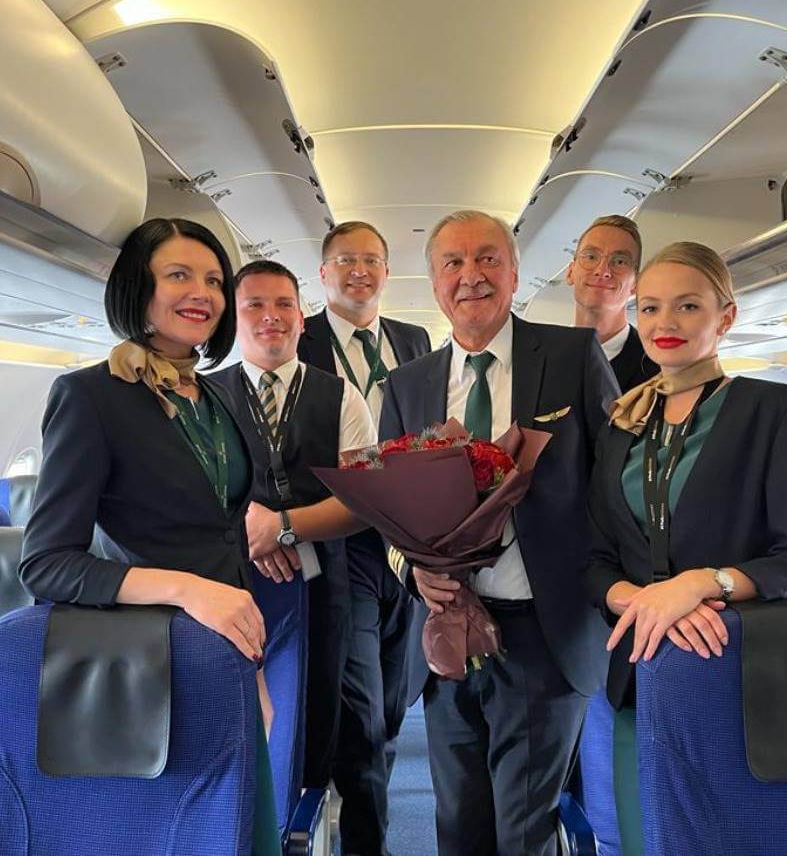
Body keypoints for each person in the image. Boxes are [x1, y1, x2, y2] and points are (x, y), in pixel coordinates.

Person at [19, 217, 282, 855]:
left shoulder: (218, 397)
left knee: (245, 832)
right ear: (139, 287)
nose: (202, 293)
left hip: (228, 653)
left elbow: (223, 535)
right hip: (152, 664)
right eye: (178, 275)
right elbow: (47, 563)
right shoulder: (90, 395)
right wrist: (188, 590)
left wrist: (252, 667)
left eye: (214, 280)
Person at [585, 241, 787, 855]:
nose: (664, 323)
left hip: (734, 675)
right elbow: (593, 561)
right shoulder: (622, 423)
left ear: (726, 317)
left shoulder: (773, 408)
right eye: (649, 308)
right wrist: (645, 602)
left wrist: (700, 583)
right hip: (636, 680)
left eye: (688, 306)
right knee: (637, 838)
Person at [379, 209, 619, 856]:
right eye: (453, 263)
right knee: (458, 821)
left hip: (545, 631)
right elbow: (386, 513)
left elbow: (611, 484)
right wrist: (412, 569)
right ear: (434, 282)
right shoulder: (406, 386)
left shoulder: (572, 357)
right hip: (447, 637)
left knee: (525, 827)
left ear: (514, 273)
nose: (471, 275)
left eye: (488, 258)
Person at [208, 259, 376, 793]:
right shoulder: (201, 396)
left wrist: (282, 527)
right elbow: (184, 501)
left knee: (318, 712)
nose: (271, 316)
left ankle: (308, 811)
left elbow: (365, 501)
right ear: (233, 318)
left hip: (323, 583)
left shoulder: (344, 396)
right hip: (228, 585)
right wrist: (248, 531)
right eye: (254, 304)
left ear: (302, 318)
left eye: (284, 304)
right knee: (237, 723)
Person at [298, 221, 430, 856]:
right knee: (362, 717)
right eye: (346, 260)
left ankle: (366, 801)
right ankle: (365, 842)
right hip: (342, 545)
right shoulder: (300, 338)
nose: (360, 270)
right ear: (323, 273)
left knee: (394, 707)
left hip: (406, 551)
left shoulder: (414, 340)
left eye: (372, 260)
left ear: (386, 271)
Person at [567, 214, 658, 391]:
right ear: (570, 272)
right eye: (591, 257)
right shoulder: (539, 359)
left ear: (636, 284)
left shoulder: (656, 369)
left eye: (619, 261)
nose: (602, 270)